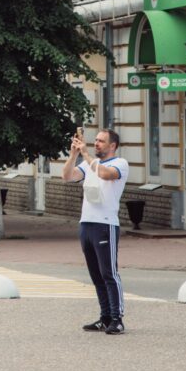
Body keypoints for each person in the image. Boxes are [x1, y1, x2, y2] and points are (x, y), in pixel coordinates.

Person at [61, 128, 129, 335]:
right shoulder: (87, 164)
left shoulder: (120, 164)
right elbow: (67, 176)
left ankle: (117, 318)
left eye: (101, 141)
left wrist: (86, 154)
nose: (96, 143)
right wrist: (73, 154)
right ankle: (105, 316)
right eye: (96, 140)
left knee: (109, 273)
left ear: (112, 146)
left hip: (105, 224)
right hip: (87, 223)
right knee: (96, 274)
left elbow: (105, 174)